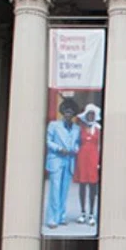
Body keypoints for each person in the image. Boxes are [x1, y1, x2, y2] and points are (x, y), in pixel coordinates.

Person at [44, 97, 80, 229]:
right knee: (55, 189)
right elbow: (48, 141)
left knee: (64, 190)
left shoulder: (76, 128)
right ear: (63, 112)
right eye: (66, 111)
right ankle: (52, 219)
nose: (68, 114)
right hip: (56, 159)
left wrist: (75, 149)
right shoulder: (54, 125)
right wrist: (59, 148)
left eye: (71, 112)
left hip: (69, 160)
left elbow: (77, 144)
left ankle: (61, 216)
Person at [74, 103, 102, 226]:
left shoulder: (98, 129)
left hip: (94, 159)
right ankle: (82, 212)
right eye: (89, 114)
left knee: (92, 188)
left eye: (92, 114)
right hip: (82, 159)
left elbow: (101, 146)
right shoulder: (81, 128)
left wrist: (99, 162)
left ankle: (91, 214)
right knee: (82, 187)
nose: (91, 116)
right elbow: (76, 142)